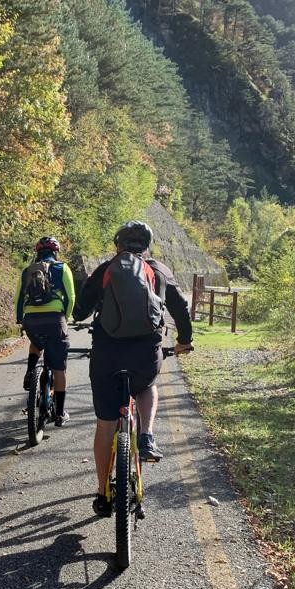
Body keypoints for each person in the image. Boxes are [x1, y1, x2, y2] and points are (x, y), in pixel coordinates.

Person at [72, 220, 192, 516]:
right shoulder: (159, 271)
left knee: (105, 424)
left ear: (118, 245)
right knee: (148, 385)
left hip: (107, 354)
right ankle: (147, 434)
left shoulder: (106, 269)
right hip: (144, 352)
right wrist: (183, 342)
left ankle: (103, 492)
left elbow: (81, 310)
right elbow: (179, 309)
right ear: (147, 245)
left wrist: (83, 313)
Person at [15, 235, 76, 427]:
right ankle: (59, 413)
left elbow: (18, 298)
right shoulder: (61, 268)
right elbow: (71, 297)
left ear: (38, 253)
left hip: (31, 320)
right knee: (59, 368)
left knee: (36, 342)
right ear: (55, 252)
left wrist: (20, 319)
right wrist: (65, 317)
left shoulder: (27, 271)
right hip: (55, 319)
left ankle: (30, 372)